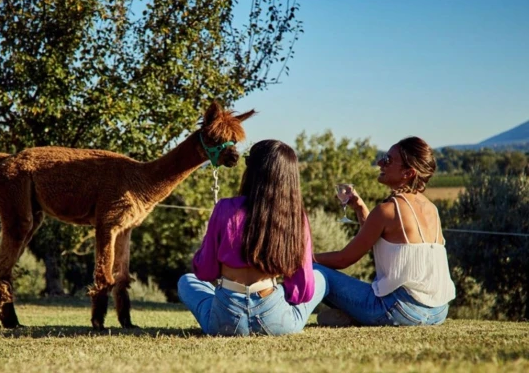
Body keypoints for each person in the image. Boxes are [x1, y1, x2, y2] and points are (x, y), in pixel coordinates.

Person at [178, 139, 326, 336]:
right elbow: (304, 290)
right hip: (275, 317)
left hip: (226, 318)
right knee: (321, 278)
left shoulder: (224, 208)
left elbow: (205, 272)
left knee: (186, 281)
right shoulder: (296, 217)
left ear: (251, 170)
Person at [314, 136, 456, 327]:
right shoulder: (432, 209)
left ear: (408, 172)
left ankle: (290, 315)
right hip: (439, 311)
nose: (380, 163)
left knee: (315, 271)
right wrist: (360, 208)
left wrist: (300, 258)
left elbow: (343, 259)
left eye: (388, 160)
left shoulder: (388, 210)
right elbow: (377, 240)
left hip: (401, 311)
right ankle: (353, 316)